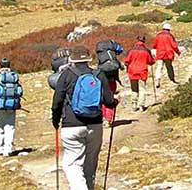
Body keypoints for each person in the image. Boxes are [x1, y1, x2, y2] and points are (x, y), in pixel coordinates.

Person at [52, 46, 117, 190]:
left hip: (71, 125)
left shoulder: (66, 75)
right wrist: (114, 102)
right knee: (90, 163)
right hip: (95, 125)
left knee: (73, 164)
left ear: (71, 59)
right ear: (89, 59)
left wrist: (55, 121)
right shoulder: (98, 74)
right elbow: (109, 101)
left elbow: (57, 101)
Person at [0, 58, 23, 157]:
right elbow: (19, 91)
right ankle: (8, 149)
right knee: (10, 126)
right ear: (9, 65)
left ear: (0, 66)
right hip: (12, 105)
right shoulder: (14, 76)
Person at [95, 40, 124, 127]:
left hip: (101, 78)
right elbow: (121, 50)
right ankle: (108, 119)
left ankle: (103, 118)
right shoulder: (112, 53)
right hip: (112, 79)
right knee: (110, 98)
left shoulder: (100, 52)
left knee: (103, 98)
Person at [124, 36, 155, 111]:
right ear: (144, 41)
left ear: (137, 40)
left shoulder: (131, 50)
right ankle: (141, 105)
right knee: (142, 89)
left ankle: (134, 105)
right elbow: (151, 61)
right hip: (142, 71)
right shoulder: (146, 51)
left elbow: (126, 61)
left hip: (132, 72)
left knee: (134, 89)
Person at [152, 23, 181, 88]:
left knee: (159, 67)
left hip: (160, 54)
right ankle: (172, 79)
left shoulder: (158, 36)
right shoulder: (170, 36)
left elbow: (154, 45)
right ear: (169, 29)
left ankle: (157, 80)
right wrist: (178, 52)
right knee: (169, 67)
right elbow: (174, 46)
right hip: (168, 54)